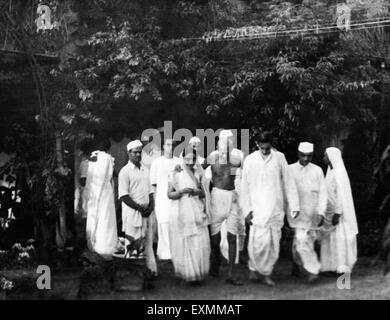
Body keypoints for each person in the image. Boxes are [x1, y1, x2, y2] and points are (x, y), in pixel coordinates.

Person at [241, 131, 299, 286]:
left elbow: (289, 181)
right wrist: (246, 211)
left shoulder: (280, 158)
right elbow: (244, 187)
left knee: (273, 243)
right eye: (262, 148)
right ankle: (254, 269)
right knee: (257, 242)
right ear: (257, 145)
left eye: (268, 148)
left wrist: (294, 205)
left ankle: (267, 273)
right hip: (256, 209)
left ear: (271, 145)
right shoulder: (250, 160)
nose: (265, 151)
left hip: (275, 207)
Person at [205, 129, 245, 286]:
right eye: (223, 141)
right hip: (216, 197)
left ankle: (231, 273)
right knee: (214, 238)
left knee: (232, 236)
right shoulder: (212, 157)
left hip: (231, 197)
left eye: (229, 141)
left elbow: (241, 175)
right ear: (218, 143)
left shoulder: (238, 158)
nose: (226, 144)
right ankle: (215, 262)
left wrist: (239, 193)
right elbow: (197, 170)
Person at [167, 145, 210, 283]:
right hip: (181, 211)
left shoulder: (199, 173)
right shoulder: (176, 172)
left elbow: (205, 193)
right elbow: (169, 194)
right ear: (182, 159)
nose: (190, 162)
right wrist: (180, 192)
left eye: (193, 159)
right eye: (187, 159)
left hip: (196, 210)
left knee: (198, 240)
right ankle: (185, 273)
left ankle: (198, 273)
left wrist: (196, 192)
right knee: (184, 241)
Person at [288, 142, 327, 282]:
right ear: (298, 154)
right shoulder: (290, 169)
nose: (305, 159)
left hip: (312, 213)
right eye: (303, 155)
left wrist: (321, 212)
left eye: (309, 156)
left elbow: (323, 193)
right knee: (301, 240)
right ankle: (313, 270)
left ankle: (298, 266)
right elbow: (288, 191)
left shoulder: (317, 170)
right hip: (297, 214)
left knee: (304, 242)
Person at [319, 147, 358, 274]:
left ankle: (342, 267)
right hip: (329, 211)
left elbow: (342, 195)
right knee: (330, 239)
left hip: (339, 214)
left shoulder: (340, 173)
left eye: (325, 156)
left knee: (340, 238)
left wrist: (338, 212)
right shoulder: (330, 171)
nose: (323, 158)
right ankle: (331, 266)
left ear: (332, 157)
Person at [117, 140, 154, 259]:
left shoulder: (145, 169)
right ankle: (131, 270)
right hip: (132, 212)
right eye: (135, 152)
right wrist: (139, 208)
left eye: (140, 152)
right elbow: (123, 196)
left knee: (146, 242)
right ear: (129, 153)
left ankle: (147, 271)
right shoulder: (125, 171)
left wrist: (151, 206)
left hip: (146, 212)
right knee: (132, 242)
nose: (138, 155)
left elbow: (150, 191)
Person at [85, 139, 117, 259]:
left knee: (101, 215)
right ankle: (104, 244)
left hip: (95, 189)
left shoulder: (94, 157)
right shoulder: (106, 157)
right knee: (105, 216)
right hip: (104, 190)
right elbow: (110, 175)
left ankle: (99, 242)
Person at [150, 138, 181, 260]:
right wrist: (154, 199)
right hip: (161, 198)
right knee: (163, 224)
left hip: (176, 198)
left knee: (175, 223)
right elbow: (153, 184)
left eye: (173, 145)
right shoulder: (157, 162)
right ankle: (164, 253)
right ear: (163, 146)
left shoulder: (179, 161)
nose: (171, 147)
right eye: (168, 145)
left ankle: (176, 252)